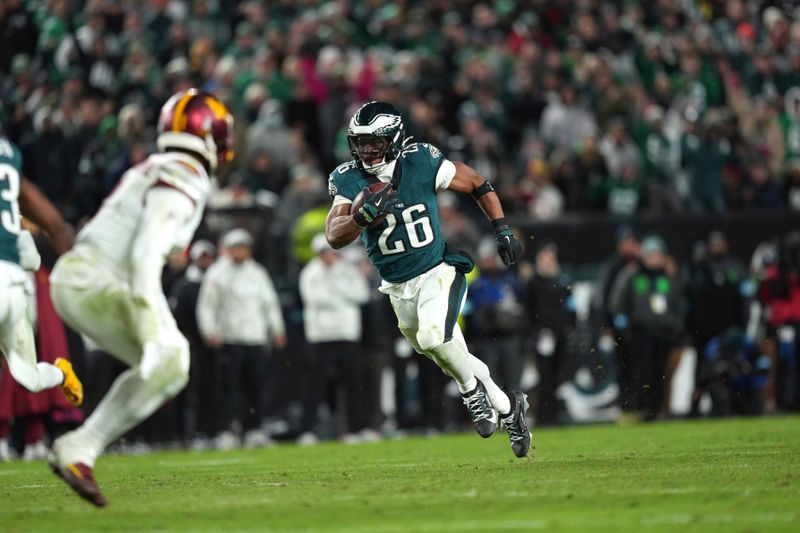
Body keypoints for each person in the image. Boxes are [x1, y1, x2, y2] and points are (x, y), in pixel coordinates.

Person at [46, 88, 234, 507]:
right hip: (94, 282)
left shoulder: (160, 163)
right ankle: (81, 445)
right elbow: (146, 250)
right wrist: (154, 318)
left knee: (171, 366)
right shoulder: (187, 169)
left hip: (80, 279)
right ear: (211, 134)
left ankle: (79, 451)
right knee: (173, 358)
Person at [325, 101, 530, 458]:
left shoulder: (421, 160)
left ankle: (471, 395)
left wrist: (502, 228)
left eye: (375, 142)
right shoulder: (348, 178)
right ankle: (509, 407)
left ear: (395, 138)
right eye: (360, 142)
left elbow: (478, 183)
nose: (366, 150)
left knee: (434, 337)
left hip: (437, 270)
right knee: (449, 352)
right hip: (397, 288)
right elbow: (333, 234)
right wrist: (360, 219)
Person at [0, 134, 82, 415]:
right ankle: (60, 374)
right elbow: (54, 227)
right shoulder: (9, 153)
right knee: (30, 377)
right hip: (16, 285)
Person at [197, 228, 286, 450]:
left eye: (243, 248)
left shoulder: (257, 272)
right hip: (230, 337)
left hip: (255, 338)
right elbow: (207, 306)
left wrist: (277, 329)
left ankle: (253, 429)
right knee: (228, 388)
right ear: (228, 250)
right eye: (235, 248)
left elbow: (269, 303)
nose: (240, 252)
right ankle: (226, 430)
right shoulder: (217, 273)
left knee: (255, 386)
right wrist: (210, 332)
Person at [297, 234, 370, 444]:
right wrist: (343, 295)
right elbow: (316, 300)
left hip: (347, 333)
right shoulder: (310, 273)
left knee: (353, 384)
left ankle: (356, 429)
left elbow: (362, 294)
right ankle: (307, 430)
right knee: (316, 385)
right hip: (322, 336)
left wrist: (337, 292)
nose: (329, 256)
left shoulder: (346, 270)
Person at [523, 242, 576, 426]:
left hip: (560, 335)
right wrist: (535, 331)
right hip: (543, 335)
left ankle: (554, 414)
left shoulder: (562, 280)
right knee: (544, 375)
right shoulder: (533, 282)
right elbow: (528, 310)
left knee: (557, 376)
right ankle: (543, 415)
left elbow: (571, 306)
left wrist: (570, 327)